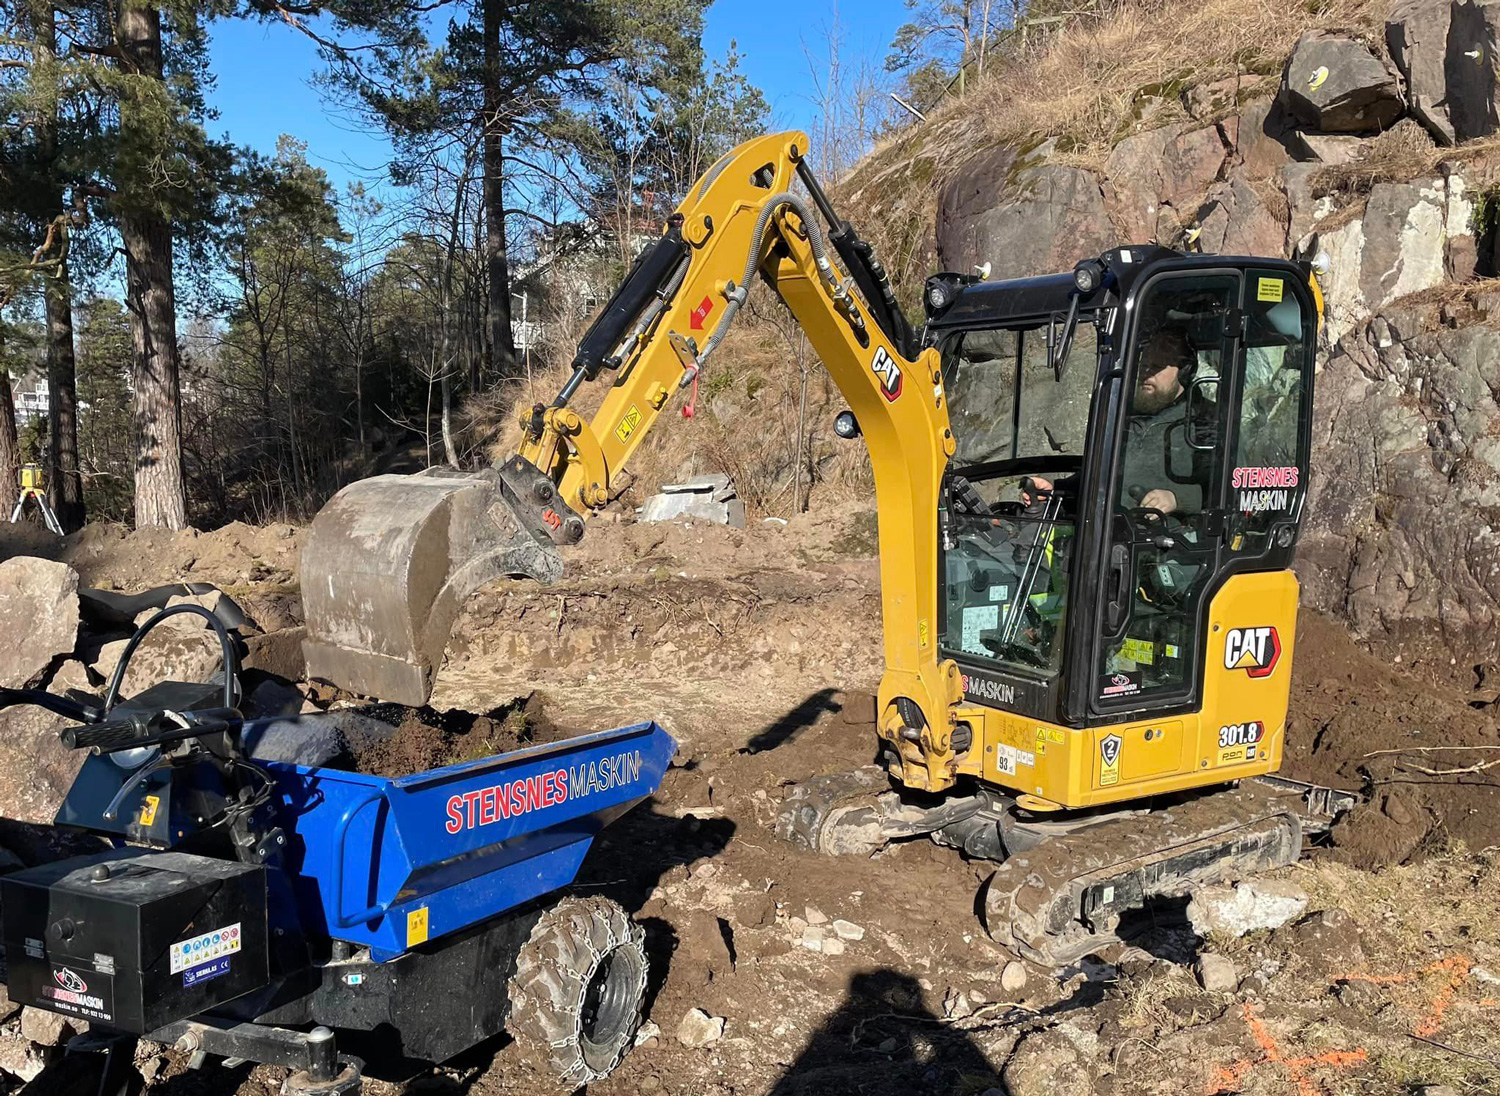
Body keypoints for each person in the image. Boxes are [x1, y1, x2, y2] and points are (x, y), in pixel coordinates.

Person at [1022, 326, 1206, 514]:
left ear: (1185, 372)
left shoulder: (1205, 420)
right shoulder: (1121, 415)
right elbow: (1100, 478)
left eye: (1157, 366)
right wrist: (1056, 490)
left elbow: (1227, 490)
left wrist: (1176, 498)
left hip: (1173, 536)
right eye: (1144, 366)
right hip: (1108, 532)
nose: (1146, 373)